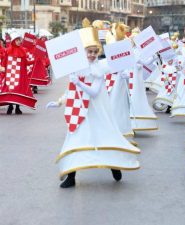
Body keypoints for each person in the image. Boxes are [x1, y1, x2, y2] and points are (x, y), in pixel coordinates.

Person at [46, 25, 140, 188]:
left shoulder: (100, 68)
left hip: (98, 113)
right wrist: (59, 101)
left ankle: (114, 166)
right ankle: (71, 176)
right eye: (89, 51)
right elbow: (71, 90)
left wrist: (79, 84)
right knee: (75, 140)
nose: (92, 55)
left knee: (105, 138)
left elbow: (94, 92)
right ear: (83, 52)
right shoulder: (77, 69)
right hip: (80, 113)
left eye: (94, 51)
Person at [0, 31, 37, 114]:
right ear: (13, 41)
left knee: (19, 91)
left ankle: (17, 107)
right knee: (10, 91)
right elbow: (4, 62)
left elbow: (26, 63)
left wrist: (34, 61)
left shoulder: (23, 51)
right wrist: (3, 69)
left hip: (21, 75)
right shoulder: (8, 50)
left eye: (19, 40)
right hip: (10, 74)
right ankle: (10, 106)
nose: (19, 42)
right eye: (17, 40)